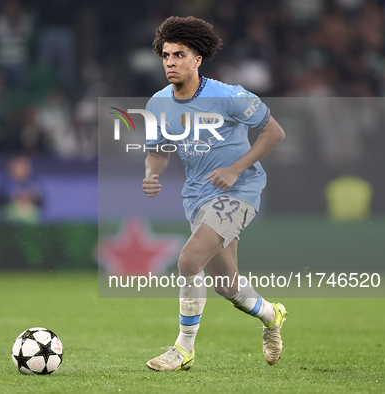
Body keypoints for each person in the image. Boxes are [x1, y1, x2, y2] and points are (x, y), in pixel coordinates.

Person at [143, 16, 287, 371]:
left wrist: (235, 168)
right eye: (165, 55)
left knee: (189, 261)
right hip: (198, 194)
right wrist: (152, 174)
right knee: (226, 284)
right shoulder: (157, 104)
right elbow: (158, 150)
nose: (171, 62)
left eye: (179, 55)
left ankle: (183, 348)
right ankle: (272, 316)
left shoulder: (229, 96)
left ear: (197, 60)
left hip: (240, 188)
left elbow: (274, 133)